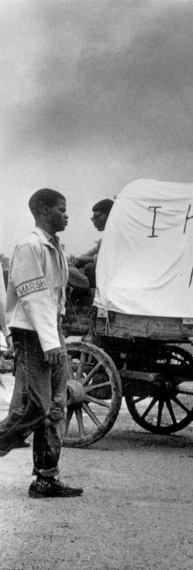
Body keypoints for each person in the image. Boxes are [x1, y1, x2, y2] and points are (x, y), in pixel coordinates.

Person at [0, 188, 84, 499]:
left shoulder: (54, 248)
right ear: (44, 210)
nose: (66, 215)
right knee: (36, 406)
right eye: (61, 209)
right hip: (35, 335)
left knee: (55, 408)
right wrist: (50, 342)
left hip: (51, 333)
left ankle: (46, 478)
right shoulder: (29, 247)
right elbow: (34, 299)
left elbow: (55, 297)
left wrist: (56, 337)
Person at [72, 198, 113, 288]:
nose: (94, 221)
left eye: (97, 217)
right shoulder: (105, 240)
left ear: (110, 215)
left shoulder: (120, 235)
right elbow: (91, 252)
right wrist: (78, 260)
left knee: (90, 267)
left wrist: (89, 259)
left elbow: (113, 257)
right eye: (92, 218)